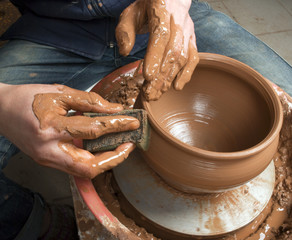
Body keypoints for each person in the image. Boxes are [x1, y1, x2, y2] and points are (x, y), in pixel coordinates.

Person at [0, 0, 291, 239]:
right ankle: (44, 224)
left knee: (283, 102)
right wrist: (4, 105)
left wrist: (176, 4)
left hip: (156, 11)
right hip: (52, 29)